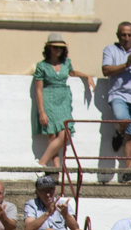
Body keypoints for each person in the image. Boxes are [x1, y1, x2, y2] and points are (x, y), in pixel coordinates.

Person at [33, 33, 94, 169]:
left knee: (64, 132)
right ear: (49, 48)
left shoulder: (66, 62)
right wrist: (41, 111)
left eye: (61, 47)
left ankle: (40, 164)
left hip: (64, 98)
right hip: (48, 98)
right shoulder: (42, 66)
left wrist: (87, 76)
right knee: (52, 135)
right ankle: (56, 171)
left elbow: (72, 72)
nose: (58, 50)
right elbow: (38, 90)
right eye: (55, 47)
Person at [101, 22, 131, 184]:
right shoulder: (110, 50)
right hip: (118, 95)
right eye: (123, 35)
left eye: (130, 35)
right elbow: (106, 70)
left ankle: (128, 173)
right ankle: (119, 133)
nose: (127, 38)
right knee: (123, 120)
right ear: (118, 35)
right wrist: (126, 65)